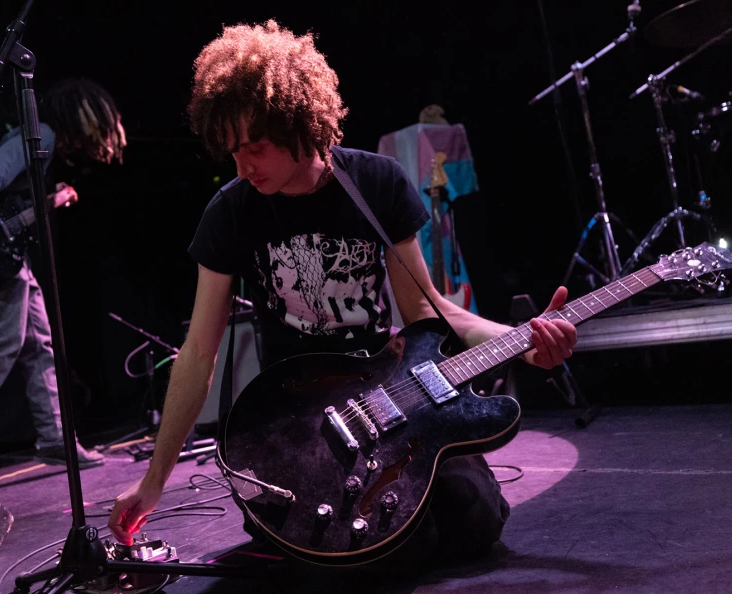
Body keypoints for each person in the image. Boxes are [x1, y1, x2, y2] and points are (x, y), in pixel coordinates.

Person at [108, 21, 576, 568]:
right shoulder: (231, 212)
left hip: (391, 399)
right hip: (295, 423)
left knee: (474, 517)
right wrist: (153, 481)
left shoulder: (377, 184)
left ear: (298, 125)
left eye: (254, 147)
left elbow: (428, 312)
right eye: (231, 151)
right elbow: (198, 354)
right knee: (370, 545)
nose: (241, 167)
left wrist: (524, 340)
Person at [0, 78, 127, 484]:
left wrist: (53, 198)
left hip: (10, 253)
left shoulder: (46, 143)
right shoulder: (43, 135)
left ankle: (55, 439)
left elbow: (17, 210)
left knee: (39, 344)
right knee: (4, 342)